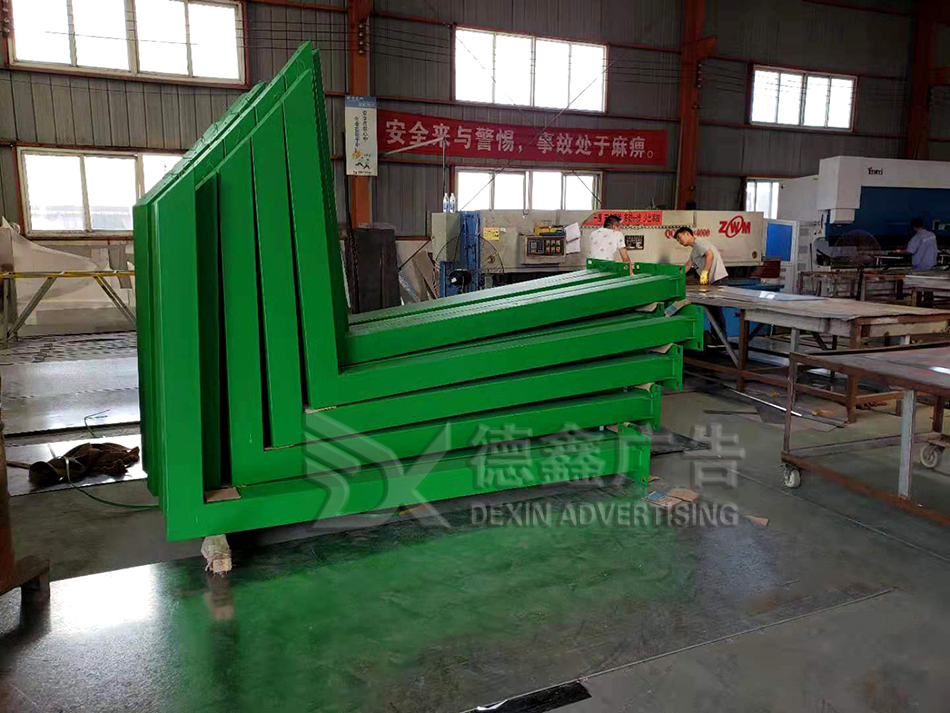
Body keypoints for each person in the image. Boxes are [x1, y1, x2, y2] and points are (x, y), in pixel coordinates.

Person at [673, 226, 729, 342]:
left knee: (716, 311)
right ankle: (717, 338)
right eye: (677, 240)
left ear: (687, 233)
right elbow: (688, 265)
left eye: (679, 237)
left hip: (718, 280)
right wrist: (675, 276)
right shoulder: (695, 250)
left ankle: (721, 339)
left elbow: (710, 255)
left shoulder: (699, 243)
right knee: (713, 311)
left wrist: (704, 272)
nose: (679, 241)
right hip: (712, 282)